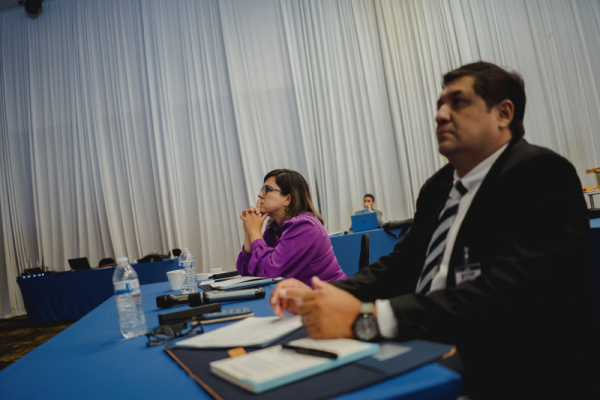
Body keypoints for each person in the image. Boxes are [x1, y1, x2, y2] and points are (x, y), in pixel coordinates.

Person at [269, 62, 599, 399]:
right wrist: (326, 295)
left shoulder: (542, 174)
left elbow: (508, 294)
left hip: (512, 370)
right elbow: (404, 264)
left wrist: (370, 318)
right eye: (440, 104)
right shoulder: (438, 186)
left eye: (458, 102)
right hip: (427, 345)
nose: (440, 115)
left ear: (503, 113)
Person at [236, 169, 347, 286]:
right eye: (262, 189)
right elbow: (246, 272)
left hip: (331, 294)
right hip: (304, 294)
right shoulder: (274, 228)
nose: (259, 195)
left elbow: (269, 272)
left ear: (288, 199)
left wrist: (254, 230)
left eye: (267, 189)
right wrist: (248, 231)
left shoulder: (305, 226)